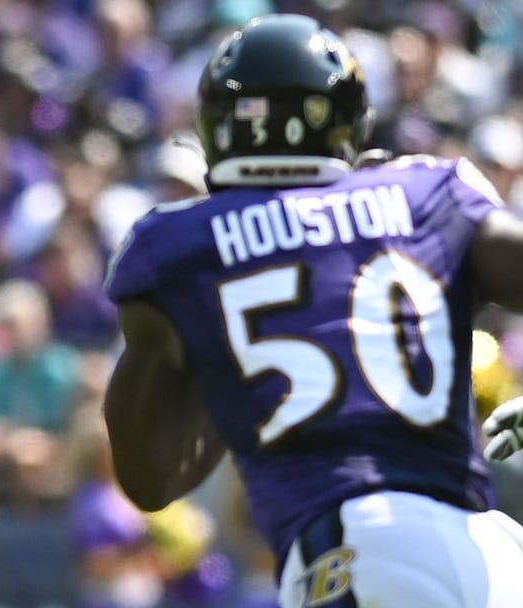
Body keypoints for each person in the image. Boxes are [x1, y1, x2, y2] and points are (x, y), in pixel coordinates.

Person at [103, 13, 523, 608]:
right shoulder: (426, 193)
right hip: (487, 549)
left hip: (351, 552)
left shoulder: (181, 246)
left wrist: (224, 360)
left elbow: (151, 477)